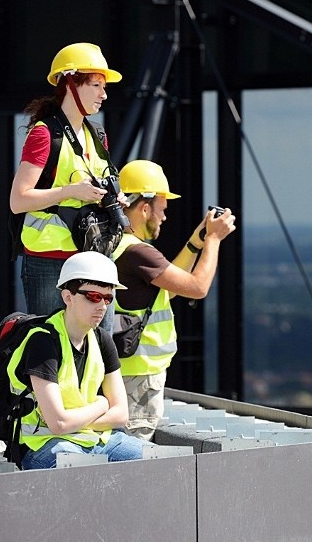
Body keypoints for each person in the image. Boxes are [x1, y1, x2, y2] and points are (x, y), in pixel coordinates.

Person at [112, 160, 236, 440]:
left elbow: (167, 289)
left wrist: (195, 243)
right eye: (162, 210)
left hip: (124, 372)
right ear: (145, 208)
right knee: (133, 451)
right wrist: (213, 240)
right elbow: (197, 287)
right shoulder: (139, 253)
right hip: (139, 376)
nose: (164, 217)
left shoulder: (117, 244)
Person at [9, 42, 124, 331]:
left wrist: (113, 197)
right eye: (96, 84)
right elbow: (18, 200)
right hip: (50, 261)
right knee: (49, 345)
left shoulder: (96, 134)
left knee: (100, 347)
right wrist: (72, 192)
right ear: (71, 83)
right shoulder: (45, 134)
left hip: (93, 254)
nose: (104, 94)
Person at [8, 251, 153, 469]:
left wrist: (72, 422)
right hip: (45, 444)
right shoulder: (43, 341)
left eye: (108, 298)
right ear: (68, 297)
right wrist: (102, 404)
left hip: (95, 439)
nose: (102, 306)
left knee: (156, 461)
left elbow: (121, 414)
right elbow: (58, 424)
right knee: (80, 472)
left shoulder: (102, 339)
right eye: (94, 297)